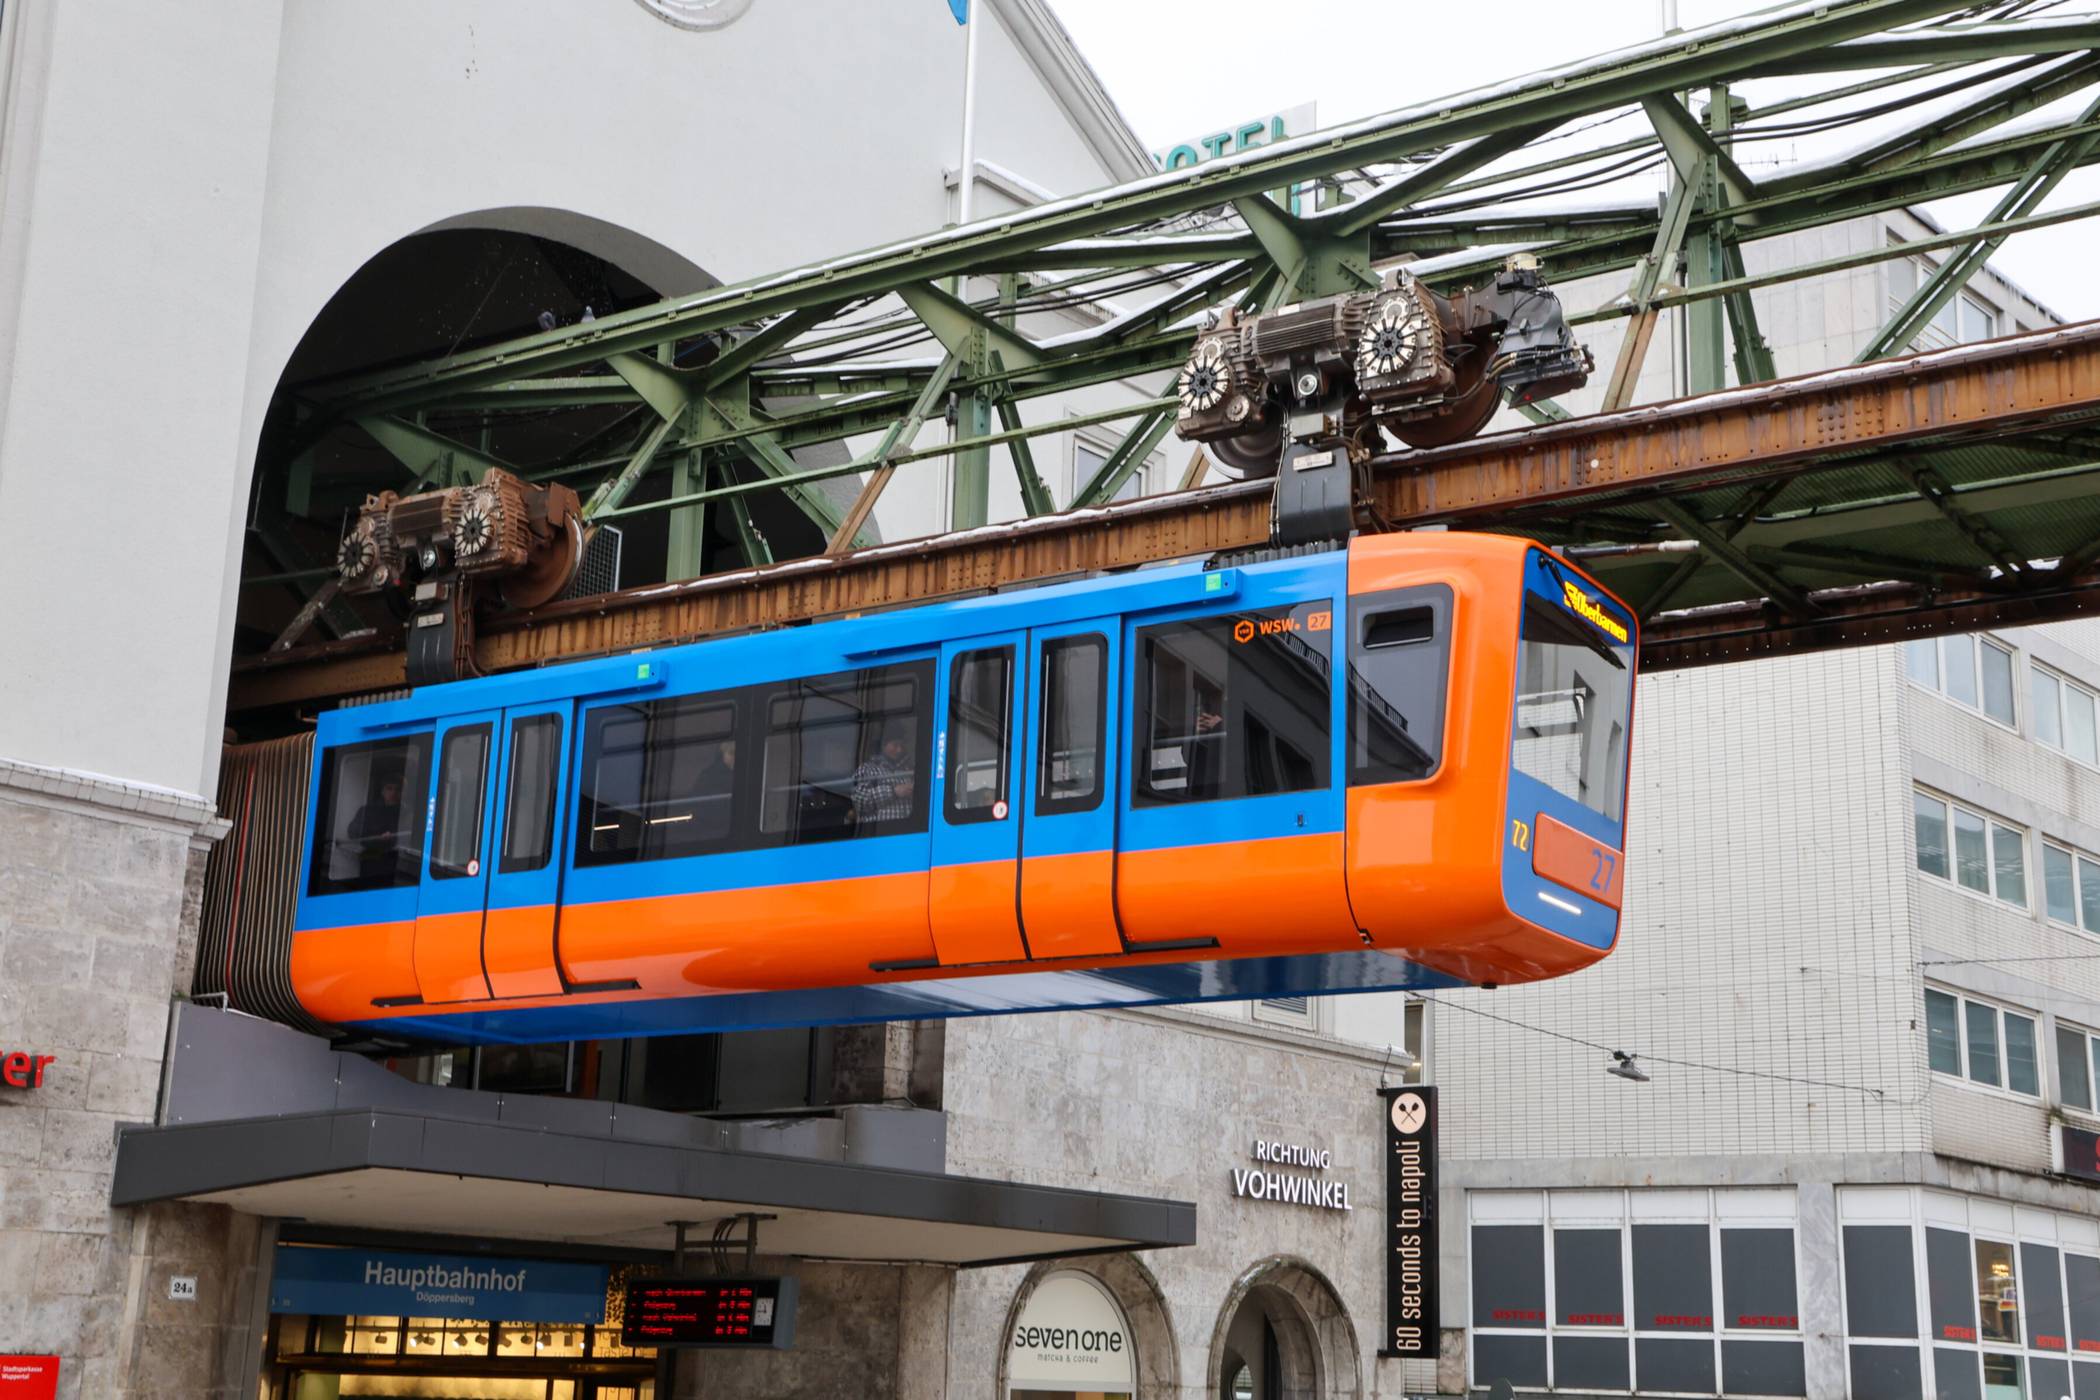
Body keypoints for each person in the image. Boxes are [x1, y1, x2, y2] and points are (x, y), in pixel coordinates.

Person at [852, 735, 915, 825]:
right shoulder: (867, 769)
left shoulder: (909, 771)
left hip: (909, 831)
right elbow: (859, 801)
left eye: (902, 746)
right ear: (883, 745)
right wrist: (893, 792)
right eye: (895, 745)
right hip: (879, 832)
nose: (899, 750)